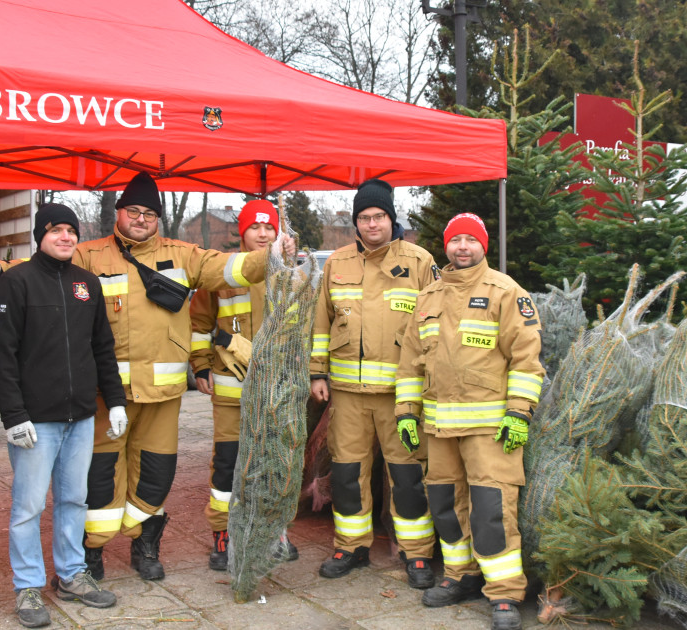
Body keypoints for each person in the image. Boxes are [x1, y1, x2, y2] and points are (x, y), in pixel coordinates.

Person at [0, 172, 288, 582]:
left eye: (149, 213)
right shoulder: (89, 255)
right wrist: (3, 268)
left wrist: (273, 254)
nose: (141, 219)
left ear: (158, 219)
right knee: (99, 480)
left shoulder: (183, 254)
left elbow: (230, 268)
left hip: (163, 395)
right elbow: (44, 265)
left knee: (155, 476)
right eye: (133, 211)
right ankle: (91, 553)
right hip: (107, 397)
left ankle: (145, 545)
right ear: (118, 214)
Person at [393, 213, 544, 630]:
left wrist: (519, 412)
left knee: (492, 511)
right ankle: (460, 577)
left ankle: (504, 596)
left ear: (483, 245)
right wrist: (406, 413)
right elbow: (409, 364)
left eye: (470, 240)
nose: (462, 247)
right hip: (438, 430)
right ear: (446, 246)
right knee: (445, 506)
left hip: (490, 430)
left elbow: (527, 361)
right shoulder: (428, 297)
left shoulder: (505, 292)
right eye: (455, 240)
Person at [0, 204, 127, 627]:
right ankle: (28, 585)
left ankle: (70, 575)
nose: (65, 237)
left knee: (73, 500)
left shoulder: (87, 284)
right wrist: (12, 416)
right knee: (28, 507)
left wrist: (116, 400)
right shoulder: (15, 282)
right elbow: (2, 355)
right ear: (39, 235)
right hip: (35, 421)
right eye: (56, 230)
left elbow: (102, 347)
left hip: (80, 417)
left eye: (71, 230)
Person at [309, 178, 439, 588]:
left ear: (391, 217)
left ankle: (416, 553)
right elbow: (321, 322)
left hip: (401, 398)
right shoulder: (337, 263)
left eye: (378, 216)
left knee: (407, 475)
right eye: (364, 218)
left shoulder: (419, 262)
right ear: (356, 222)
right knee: (347, 474)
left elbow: (435, 326)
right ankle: (351, 546)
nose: (371, 225)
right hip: (347, 395)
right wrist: (317, 372)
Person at [189, 199, 299, 571]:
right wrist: (200, 366)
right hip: (232, 392)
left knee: (272, 463)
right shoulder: (223, 272)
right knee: (228, 465)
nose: (263, 234)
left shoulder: (290, 274)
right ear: (243, 232)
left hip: (275, 393)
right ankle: (224, 532)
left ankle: (274, 531)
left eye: (269, 228)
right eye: (255, 227)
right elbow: (200, 325)